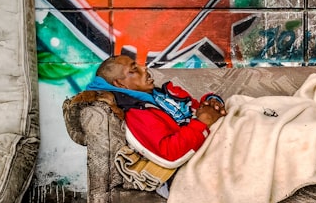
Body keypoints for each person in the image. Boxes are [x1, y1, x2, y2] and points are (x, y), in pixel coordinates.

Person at [85, 55, 226, 164]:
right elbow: (169, 153)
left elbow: (195, 106)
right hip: (203, 152)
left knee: (241, 105)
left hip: (213, 136)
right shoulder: (138, 113)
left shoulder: (161, 95)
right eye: (134, 70)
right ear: (120, 84)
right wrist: (203, 122)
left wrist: (212, 103)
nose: (145, 68)